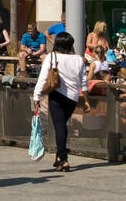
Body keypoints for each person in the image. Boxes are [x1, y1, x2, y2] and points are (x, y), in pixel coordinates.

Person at [33, 31, 89, 172]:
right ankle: (59, 158)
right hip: (73, 98)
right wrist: (86, 101)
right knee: (62, 125)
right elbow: (83, 82)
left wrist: (36, 96)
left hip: (56, 95)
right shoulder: (78, 59)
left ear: (57, 43)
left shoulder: (51, 57)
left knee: (59, 127)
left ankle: (63, 159)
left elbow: (43, 78)